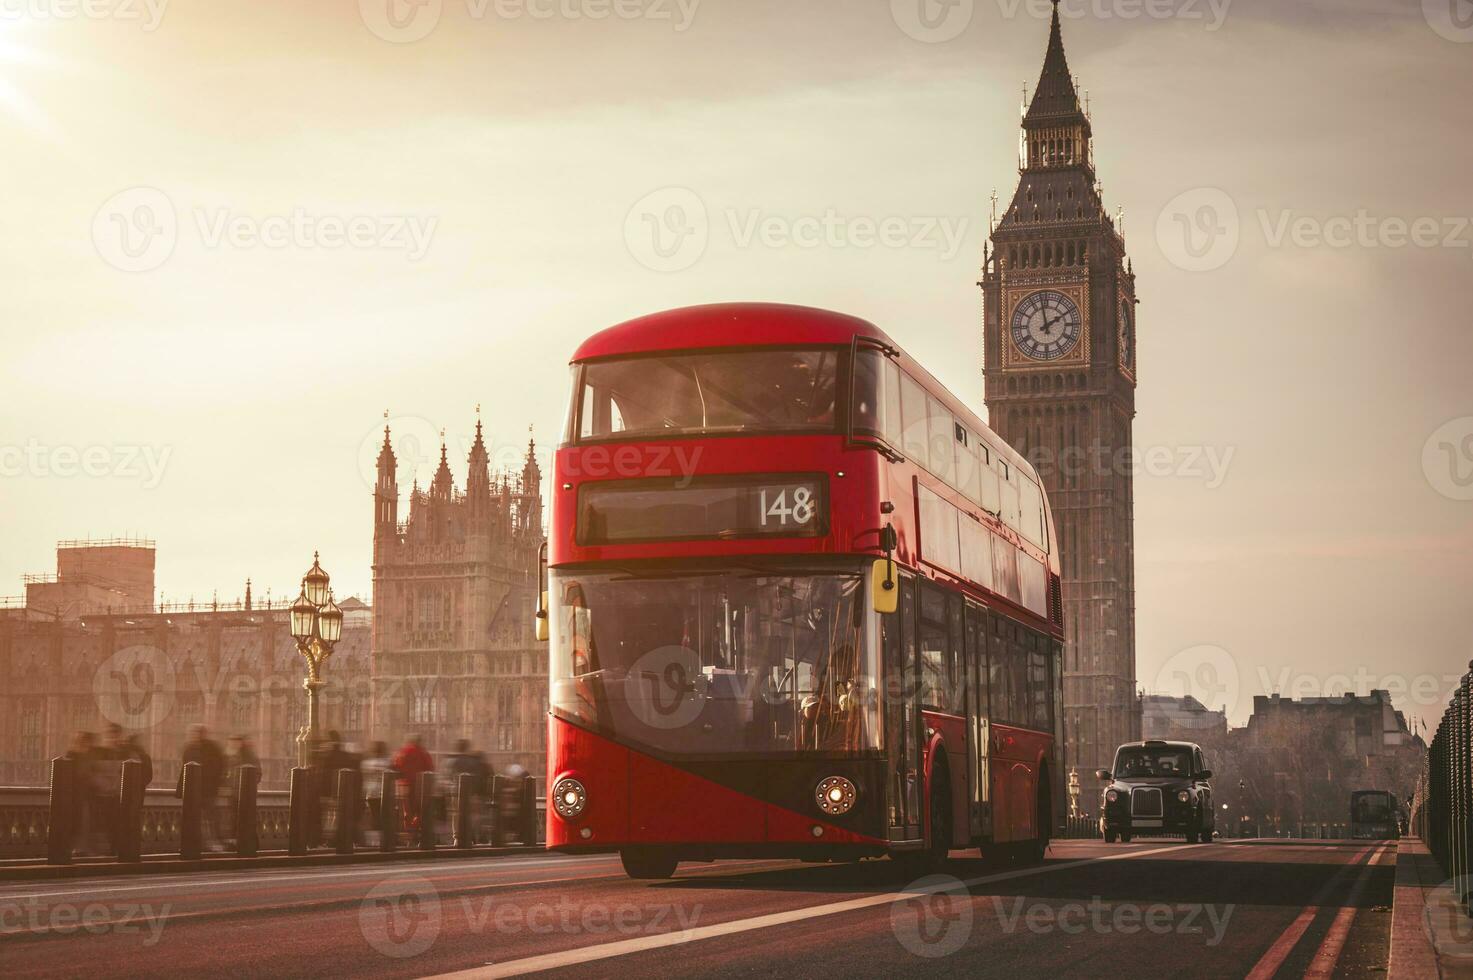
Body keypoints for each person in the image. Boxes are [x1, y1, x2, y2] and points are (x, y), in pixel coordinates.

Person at [178, 724, 226, 852]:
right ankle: (193, 843)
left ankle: (213, 842)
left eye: (196, 733)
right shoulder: (188, 748)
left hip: (207, 790)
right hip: (192, 790)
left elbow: (219, 767)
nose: (193, 736)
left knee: (210, 818)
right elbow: (184, 769)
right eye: (192, 734)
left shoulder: (212, 748)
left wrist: (214, 783)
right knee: (192, 818)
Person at [392, 734, 434, 834]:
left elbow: (396, 767)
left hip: (404, 784)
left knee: (407, 810)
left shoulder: (402, 752)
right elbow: (430, 768)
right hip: (419, 785)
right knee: (419, 810)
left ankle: (409, 831)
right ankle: (416, 829)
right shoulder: (423, 753)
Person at [361, 741, 391, 844]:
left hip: (371, 792)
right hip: (384, 792)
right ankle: (384, 839)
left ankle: (373, 840)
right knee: (385, 816)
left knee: (374, 816)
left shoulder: (367, 763)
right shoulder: (386, 763)